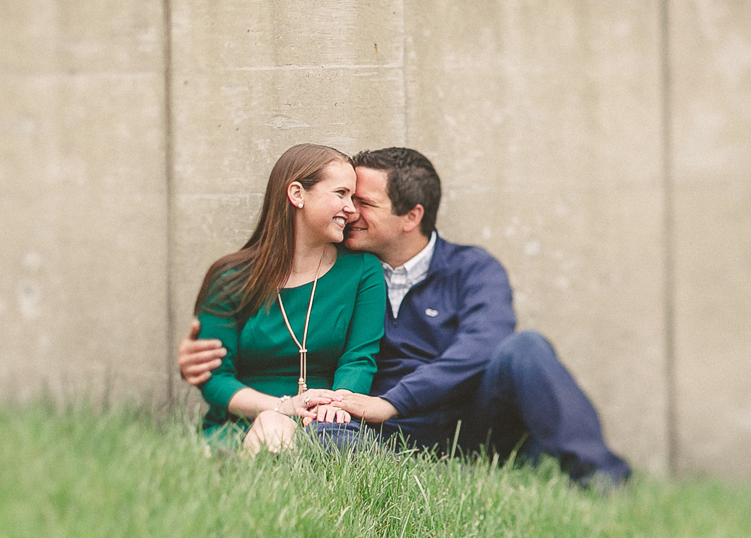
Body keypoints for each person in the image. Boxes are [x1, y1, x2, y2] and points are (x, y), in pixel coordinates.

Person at [179, 147, 632, 485]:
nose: (352, 211)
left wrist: (391, 401)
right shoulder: (356, 271)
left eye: (364, 203)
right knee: (326, 439)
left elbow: (483, 345)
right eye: (345, 197)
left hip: (462, 417)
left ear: (411, 216)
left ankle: (603, 481)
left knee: (525, 348)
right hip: (385, 433)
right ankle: (411, 477)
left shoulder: (471, 269)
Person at [190, 142, 387, 454]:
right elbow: (215, 377)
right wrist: (282, 407)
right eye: (341, 194)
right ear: (297, 194)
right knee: (272, 428)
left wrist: (336, 405)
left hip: (327, 423)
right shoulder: (230, 277)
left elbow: (359, 358)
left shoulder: (363, 270)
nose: (352, 209)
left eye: (354, 197)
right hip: (242, 420)